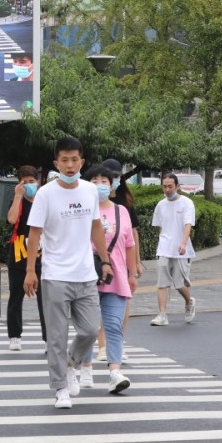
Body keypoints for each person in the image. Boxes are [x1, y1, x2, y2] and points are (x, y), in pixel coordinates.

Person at [24, 136, 113, 409]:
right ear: (56, 163)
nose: (70, 165)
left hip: (85, 274)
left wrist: (106, 260)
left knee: (88, 330)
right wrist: (30, 271)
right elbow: (34, 233)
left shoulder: (89, 191)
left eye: (75, 159)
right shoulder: (45, 193)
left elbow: (96, 226)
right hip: (55, 275)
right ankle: (60, 388)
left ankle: (71, 363)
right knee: (57, 337)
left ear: (82, 162)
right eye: (64, 160)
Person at [78, 166, 136, 393]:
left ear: (112, 186)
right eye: (94, 179)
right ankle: (85, 368)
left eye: (105, 180)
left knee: (113, 325)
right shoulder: (80, 209)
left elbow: (129, 244)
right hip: (86, 275)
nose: (100, 184)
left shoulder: (122, 211)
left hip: (116, 276)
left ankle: (114, 371)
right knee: (88, 328)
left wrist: (132, 274)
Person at [96, 158, 142, 361]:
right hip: (96, 261)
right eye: (109, 177)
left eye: (116, 176)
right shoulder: (92, 200)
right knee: (96, 304)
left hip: (120, 261)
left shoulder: (124, 203)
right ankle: (102, 345)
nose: (112, 180)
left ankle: (117, 342)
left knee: (121, 304)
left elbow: (132, 236)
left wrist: (136, 263)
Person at [5, 165, 46, 351]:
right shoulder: (19, 201)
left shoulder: (44, 201)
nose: (29, 185)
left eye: (32, 182)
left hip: (42, 253)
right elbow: (12, 220)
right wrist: (18, 196)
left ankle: (48, 338)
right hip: (19, 252)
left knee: (45, 298)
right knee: (16, 296)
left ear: (38, 182)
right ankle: (14, 336)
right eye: (25, 182)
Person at [150, 172, 196, 326]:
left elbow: (187, 224)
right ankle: (162, 314)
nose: (167, 189)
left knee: (179, 284)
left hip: (181, 250)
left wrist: (183, 243)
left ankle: (189, 301)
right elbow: (160, 227)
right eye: (164, 186)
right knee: (162, 283)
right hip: (164, 248)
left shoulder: (187, 203)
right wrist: (162, 243)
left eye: (170, 186)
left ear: (177, 186)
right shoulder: (160, 205)